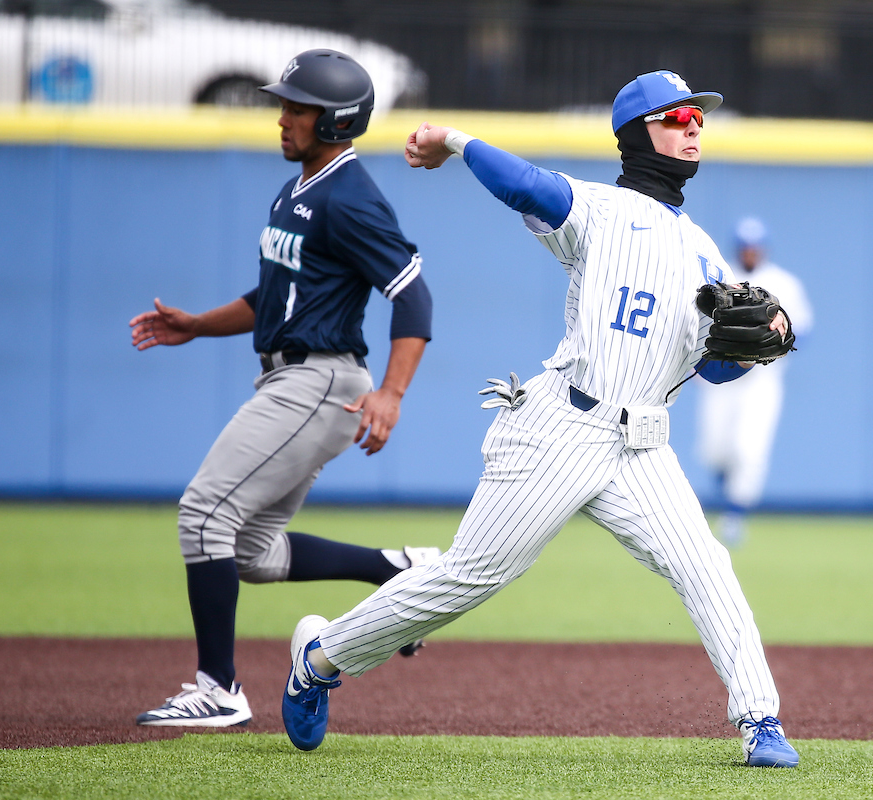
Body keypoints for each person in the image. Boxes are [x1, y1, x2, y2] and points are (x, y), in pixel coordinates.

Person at [280, 70, 801, 768]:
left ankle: (761, 721)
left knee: (705, 565)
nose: (694, 125)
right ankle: (319, 657)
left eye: (698, 117)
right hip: (562, 426)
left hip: (643, 445)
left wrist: (757, 346)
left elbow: (709, 364)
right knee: (469, 577)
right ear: (640, 131)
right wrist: (457, 142)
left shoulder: (705, 252)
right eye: (679, 116)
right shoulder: (595, 210)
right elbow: (524, 185)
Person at [130, 49, 437, 728]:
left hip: (319, 380)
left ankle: (219, 688)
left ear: (335, 121)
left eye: (297, 108)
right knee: (248, 553)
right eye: (285, 105)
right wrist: (197, 325)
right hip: (294, 374)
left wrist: (391, 395)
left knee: (202, 514)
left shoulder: (350, 197)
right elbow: (275, 295)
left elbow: (413, 297)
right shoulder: (301, 185)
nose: (282, 118)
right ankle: (399, 571)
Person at [698, 217, 814, 546]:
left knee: (749, 450)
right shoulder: (720, 277)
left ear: (763, 248)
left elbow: (803, 330)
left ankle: (734, 516)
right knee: (715, 450)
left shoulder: (784, 283)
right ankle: (726, 502)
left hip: (762, 380)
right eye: (745, 247)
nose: (750, 252)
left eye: (755, 246)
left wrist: (776, 342)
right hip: (722, 372)